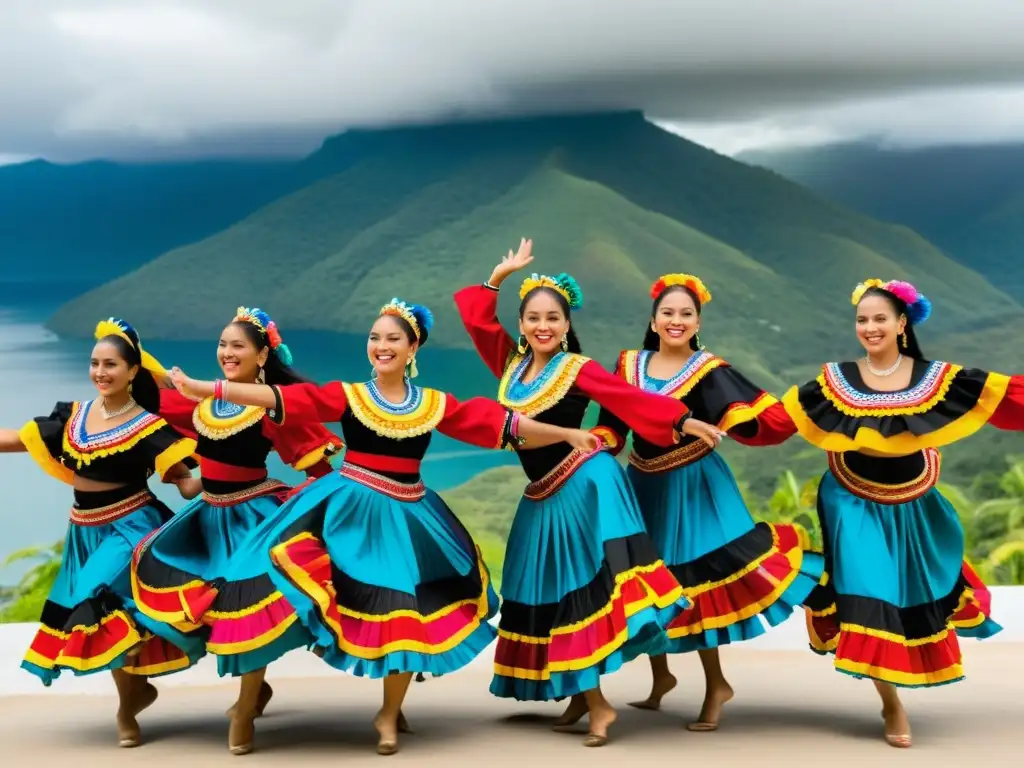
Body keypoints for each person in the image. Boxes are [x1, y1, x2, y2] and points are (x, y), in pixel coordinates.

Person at [166, 297, 602, 755]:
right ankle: (247, 702)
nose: (381, 346)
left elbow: (506, 424)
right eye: (375, 338)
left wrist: (568, 434)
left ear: (413, 348)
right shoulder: (349, 395)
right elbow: (280, 398)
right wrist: (207, 388)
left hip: (405, 517)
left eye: (393, 338)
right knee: (262, 589)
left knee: (401, 612)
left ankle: (389, 713)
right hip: (342, 509)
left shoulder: (434, 404)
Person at [453, 240, 726, 747]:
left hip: (585, 483)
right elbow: (478, 323)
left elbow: (630, 400)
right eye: (533, 317)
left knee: (584, 590)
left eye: (553, 318)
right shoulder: (512, 367)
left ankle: (598, 704)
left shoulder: (577, 369)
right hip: (542, 493)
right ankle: (581, 691)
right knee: (547, 592)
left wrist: (683, 419)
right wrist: (497, 276)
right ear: (522, 323)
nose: (543, 326)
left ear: (566, 324)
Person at [782, 278, 1024, 748]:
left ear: (901, 324)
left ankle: (897, 690)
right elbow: (775, 419)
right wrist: (712, 420)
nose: (870, 328)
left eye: (879, 319)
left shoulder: (939, 378)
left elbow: (1008, 398)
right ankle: (892, 702)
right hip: (850, 500)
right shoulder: (836, 380)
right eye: (862, 320)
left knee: (910, 594)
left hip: (915, 502)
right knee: (868, 592)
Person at [592, 273, 823, 731]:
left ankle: (716, 683)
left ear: (697, 321)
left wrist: (816, 406)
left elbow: (758, 418)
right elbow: (612, 425)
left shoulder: (709, 370)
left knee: (693, 584)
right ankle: (662, 678)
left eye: (686, 314)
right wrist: (588, 449)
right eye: (668, 313)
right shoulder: (627, 365)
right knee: (647, 585)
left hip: (693, 485)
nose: (676, 321)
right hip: (641, 482)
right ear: (653, 319)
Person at [130, 307, 341, 753]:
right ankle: (252, 693)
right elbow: (155, 402)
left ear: (262, 354)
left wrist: (313, 516)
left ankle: (244, 709)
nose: (227, 353)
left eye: (238, 346)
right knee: (172, 581)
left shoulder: (270, 406)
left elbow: (318, 468)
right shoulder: (207, 404)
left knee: (246, 608)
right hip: (209, 518)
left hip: (256, 518)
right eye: (223, 345)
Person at [0, 318, 205, 748]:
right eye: (94, 363)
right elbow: (19, 439)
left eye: (110, 364)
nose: (100, 372)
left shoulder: (149, 428)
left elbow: (185, 483)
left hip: (131, 527)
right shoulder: (73, 417)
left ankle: (130, 702)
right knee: (109, 618)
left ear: (132, 371)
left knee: (94, 599)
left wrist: (229, 474)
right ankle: (131, 698)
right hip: (83, 531)